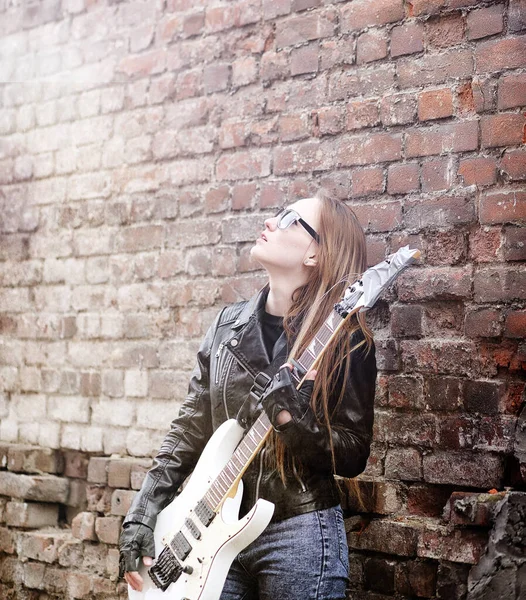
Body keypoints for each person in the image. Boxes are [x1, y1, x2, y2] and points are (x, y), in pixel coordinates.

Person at [119, 192, 377, 600]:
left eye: (291, 218)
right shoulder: (226, 326)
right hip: (208, 531)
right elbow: (190, 429)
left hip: (298, 532)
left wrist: (293, 422)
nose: (272, 221)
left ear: (314, 254)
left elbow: (352, 453)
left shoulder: (346, 339)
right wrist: (143, 511)